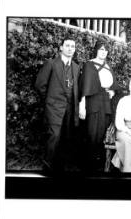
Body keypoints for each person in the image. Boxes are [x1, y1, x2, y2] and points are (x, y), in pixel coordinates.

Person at [35, 36, 80, 174]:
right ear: (61, 47)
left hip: (70, 109)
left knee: (65, 139)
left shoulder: (76, 67)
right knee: (53, 137)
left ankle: (59, 170)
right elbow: (40, 85)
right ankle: (47, 168)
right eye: (67, 45)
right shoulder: (51, 64)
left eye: (72, 46)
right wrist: (50, 101)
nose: (70, 48)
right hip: (53, 108)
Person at [78, 40, 120, 173]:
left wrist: (112, 91)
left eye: (105, 50)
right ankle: (88, 167)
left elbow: (114, 86)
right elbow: (84, 86)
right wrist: (82, 105)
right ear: (96, 50)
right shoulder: (89, 65)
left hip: (106, 104)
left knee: (102, 135)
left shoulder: (108, 66)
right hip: (93, 103)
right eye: (101, 49)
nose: (103, 52)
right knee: (92, 134)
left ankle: (98, 166)